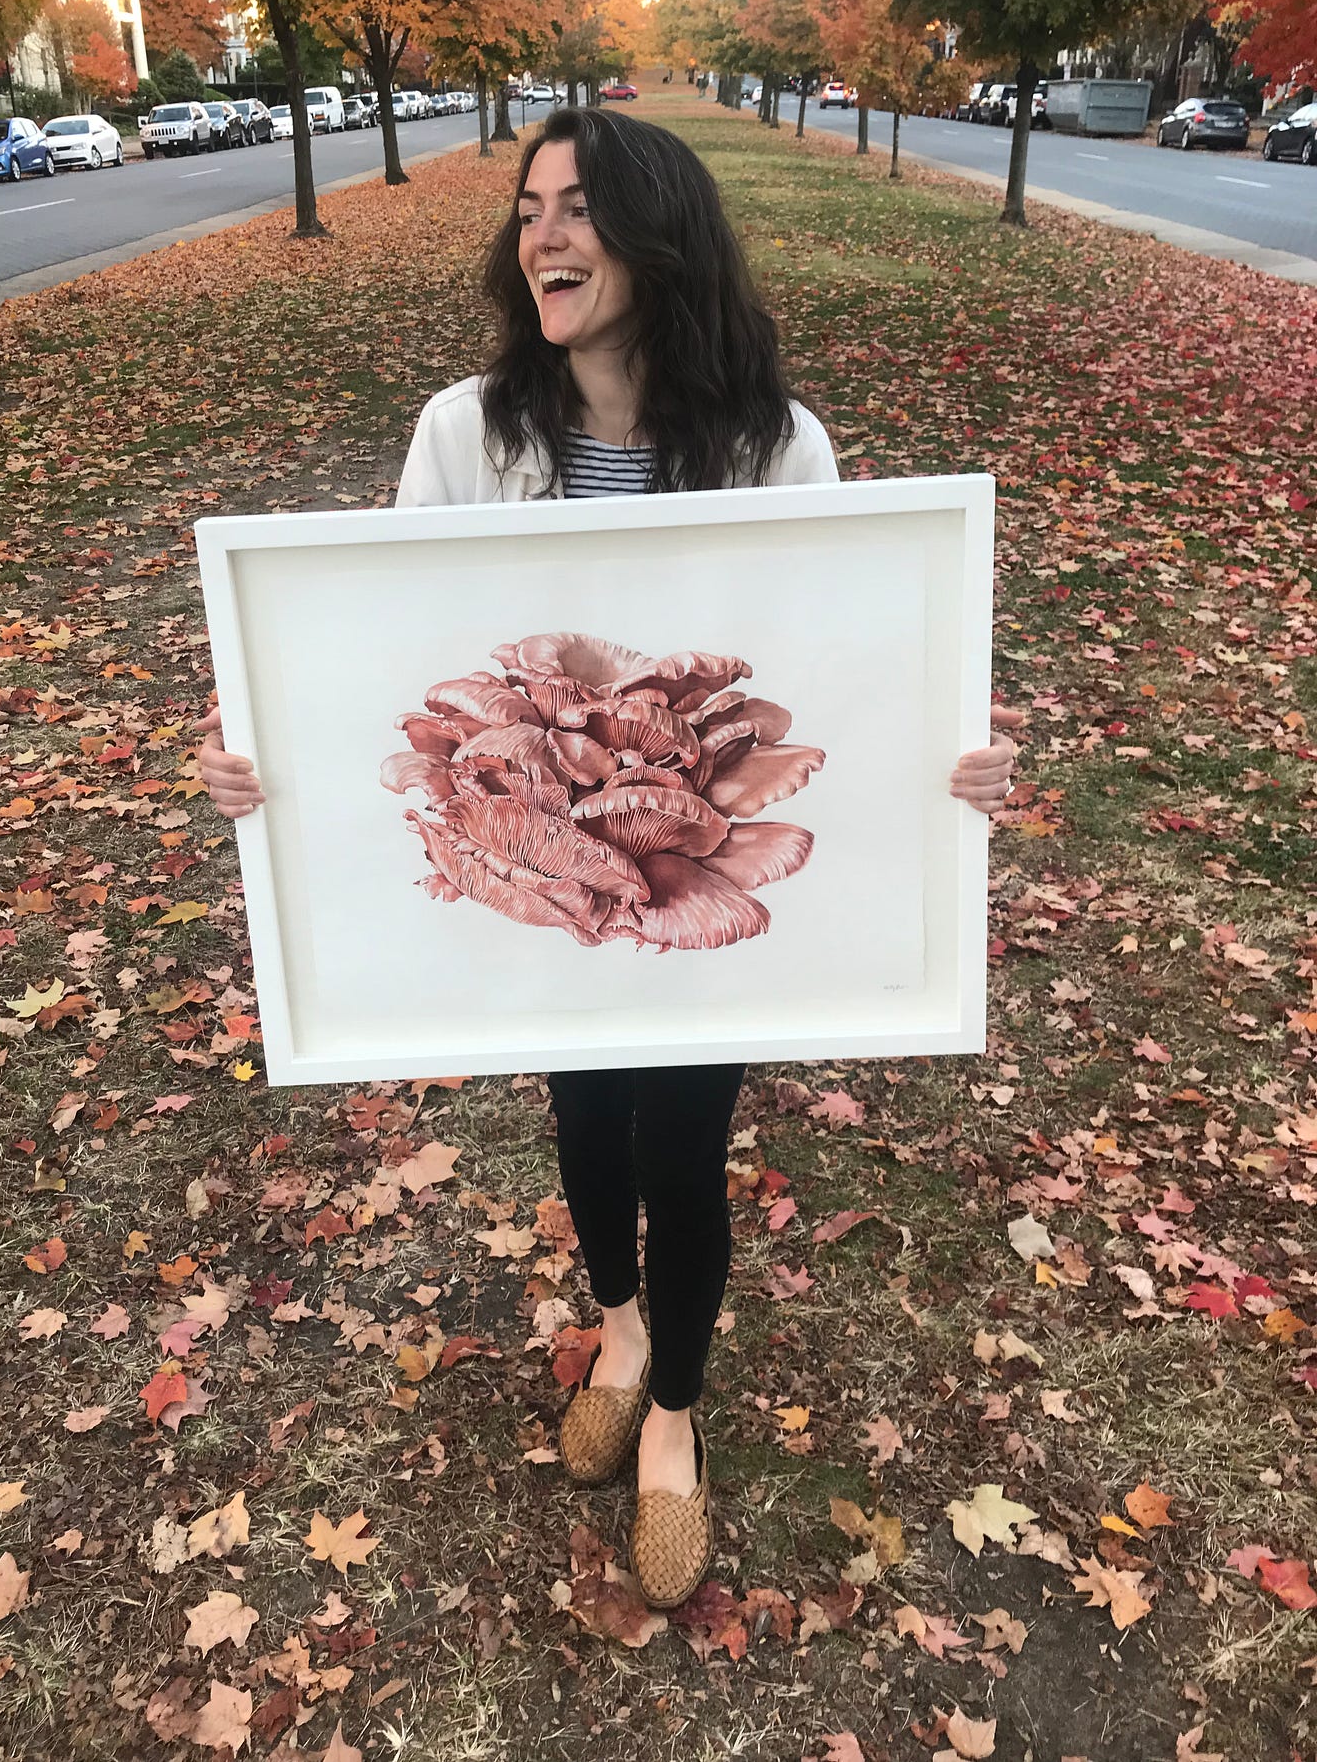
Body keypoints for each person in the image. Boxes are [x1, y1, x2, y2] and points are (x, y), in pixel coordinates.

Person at [196, 107, 1021, 1611]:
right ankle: (622, 1323)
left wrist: (954, 766)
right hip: (548, 886)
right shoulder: (469, 430)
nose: (544, 233)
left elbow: (844, 669)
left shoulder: (780, 442)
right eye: (527, 208)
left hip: (685, 877)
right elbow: (386, 650)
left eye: (577, 206)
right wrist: (267, 761)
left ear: (657, 232)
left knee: (683, 1149)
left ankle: (679, 1417)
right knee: (586, 1125)